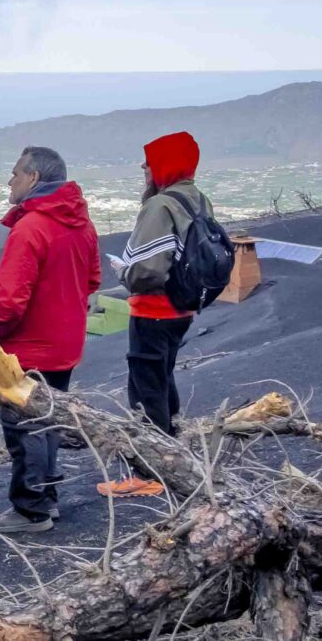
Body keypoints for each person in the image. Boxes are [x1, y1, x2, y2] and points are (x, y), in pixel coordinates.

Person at [0, 147, 101, 533]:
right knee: (49, 422)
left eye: (15, 173)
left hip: (28, 346)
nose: (10, 180)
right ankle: (46, 501)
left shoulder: (31, 228)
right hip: (66, 345)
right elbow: (94, 278)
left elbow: (10, 299)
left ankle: (30, 509)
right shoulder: (81, 223)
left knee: (24, 426)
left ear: (33, 178)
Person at [108, 131, 213, 496]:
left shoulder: (160, 206)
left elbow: (148, 270)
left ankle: (150, 473)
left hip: (154, 309)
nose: (143, 167)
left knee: (145, 388)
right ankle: (174, 454)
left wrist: (123, 271)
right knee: (162, 379)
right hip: (182, 309)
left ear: (165, 165)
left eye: (150, 161)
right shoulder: (198, 200)